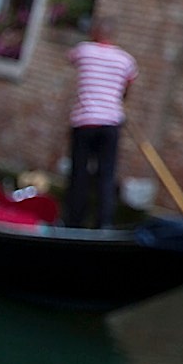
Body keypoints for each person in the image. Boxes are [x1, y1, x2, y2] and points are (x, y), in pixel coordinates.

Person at [66, 19, 138, 229]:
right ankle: (103, 224)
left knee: (79, 173)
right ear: (113, 35)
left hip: (84, 121)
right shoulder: (126, 60)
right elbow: (127, 88)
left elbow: (70, 58)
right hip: (111, 122)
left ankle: (74, 222)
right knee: (106, 175)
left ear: (95, 32)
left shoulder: (84, 50)